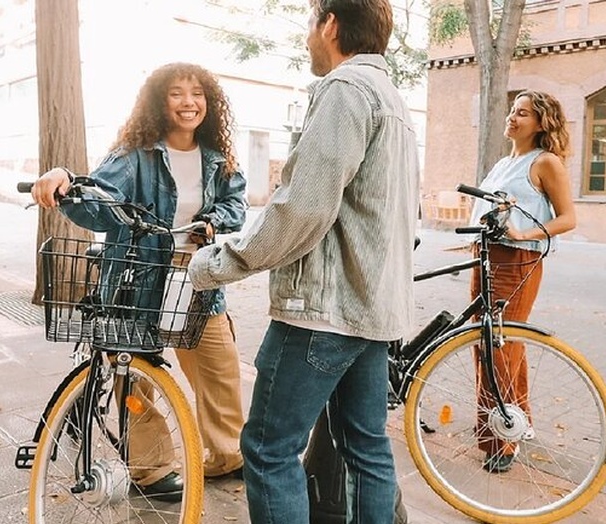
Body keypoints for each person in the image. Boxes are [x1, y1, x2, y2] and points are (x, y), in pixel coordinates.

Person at [187, 0, 420, 522]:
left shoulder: (345, 91)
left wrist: (219, 262)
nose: (306, 38)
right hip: (374, 314)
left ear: (331, 24)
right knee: (367, 450)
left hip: (321, 312)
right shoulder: (395, 102)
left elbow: (303, 208)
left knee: (269, 450)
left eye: (310, 24)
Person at [30, 62, 248, 500]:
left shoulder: (217, 160)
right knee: (136, 381)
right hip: (138, 284)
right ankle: (152, 470)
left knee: (220, 371)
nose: (189, 102)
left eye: (197, 94)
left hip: (199, 281)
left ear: (209, 102)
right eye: (177, 93)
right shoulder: (135, 155)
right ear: (158, 102)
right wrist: (65, 181)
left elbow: (236, 204)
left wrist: (211, 220)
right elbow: (99, 200)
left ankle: (226, 456)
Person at [468, 90, 576, 473]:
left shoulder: (546, 162)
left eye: (523, 113)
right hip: (484, 257)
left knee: (498, 348)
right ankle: (516, 419)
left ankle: (501, 441)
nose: (513, 118)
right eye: (513, 111)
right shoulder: (503, 162)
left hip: (517, 261)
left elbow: (567, 219)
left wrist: (523, 235)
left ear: (541, 122)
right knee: (491, 344)